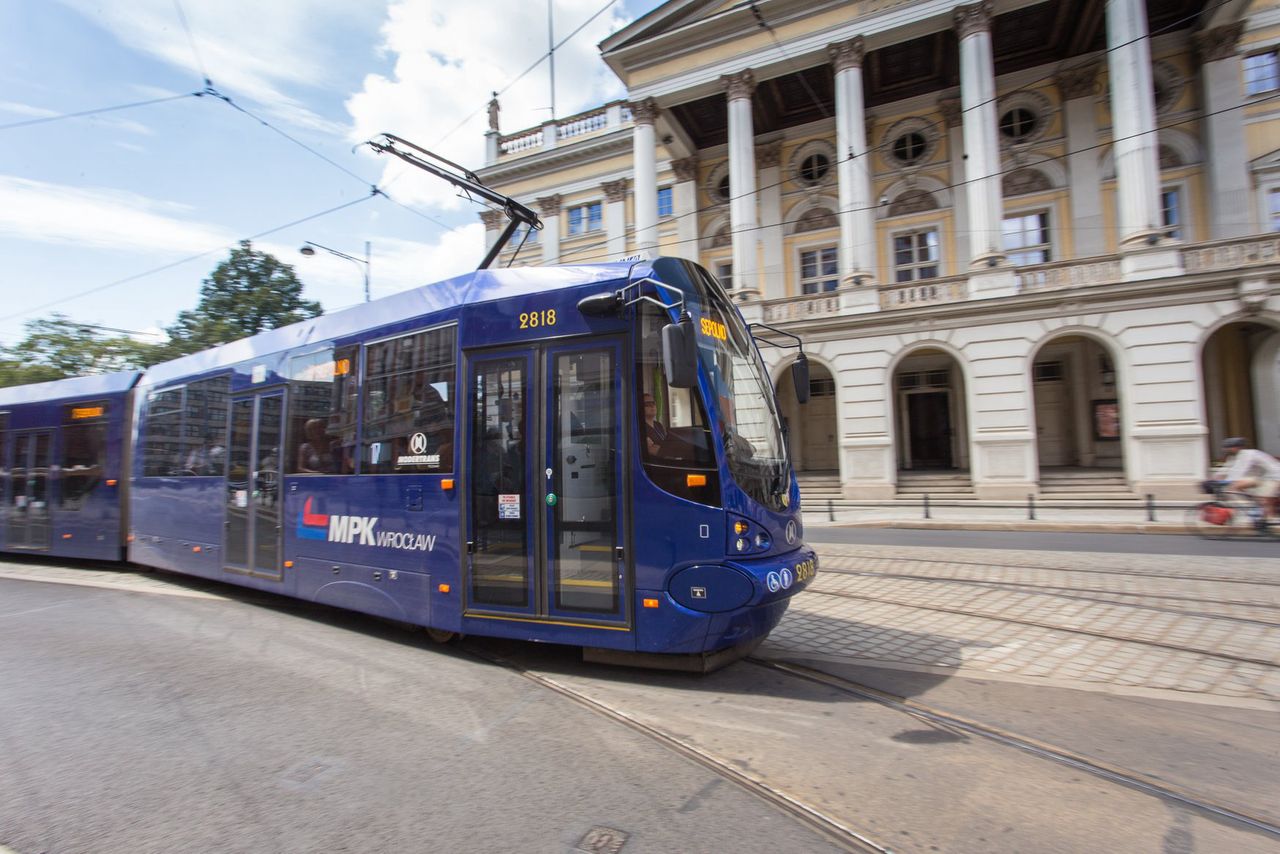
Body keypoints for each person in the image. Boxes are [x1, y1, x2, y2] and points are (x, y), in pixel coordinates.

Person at [1218, 437, 1280, 519]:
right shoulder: (1233, 457)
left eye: (1229, 448)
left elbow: (1239, 470)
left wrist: (1228, 480)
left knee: (1264, 499)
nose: (1226, 450)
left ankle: (1270, 519)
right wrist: (1214, 479)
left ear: (1237, 448)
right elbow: (1226, 469)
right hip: (1261, 478)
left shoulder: (1248, 454)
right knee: (1233, 487)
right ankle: (1253, 507)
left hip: (1274, 477)